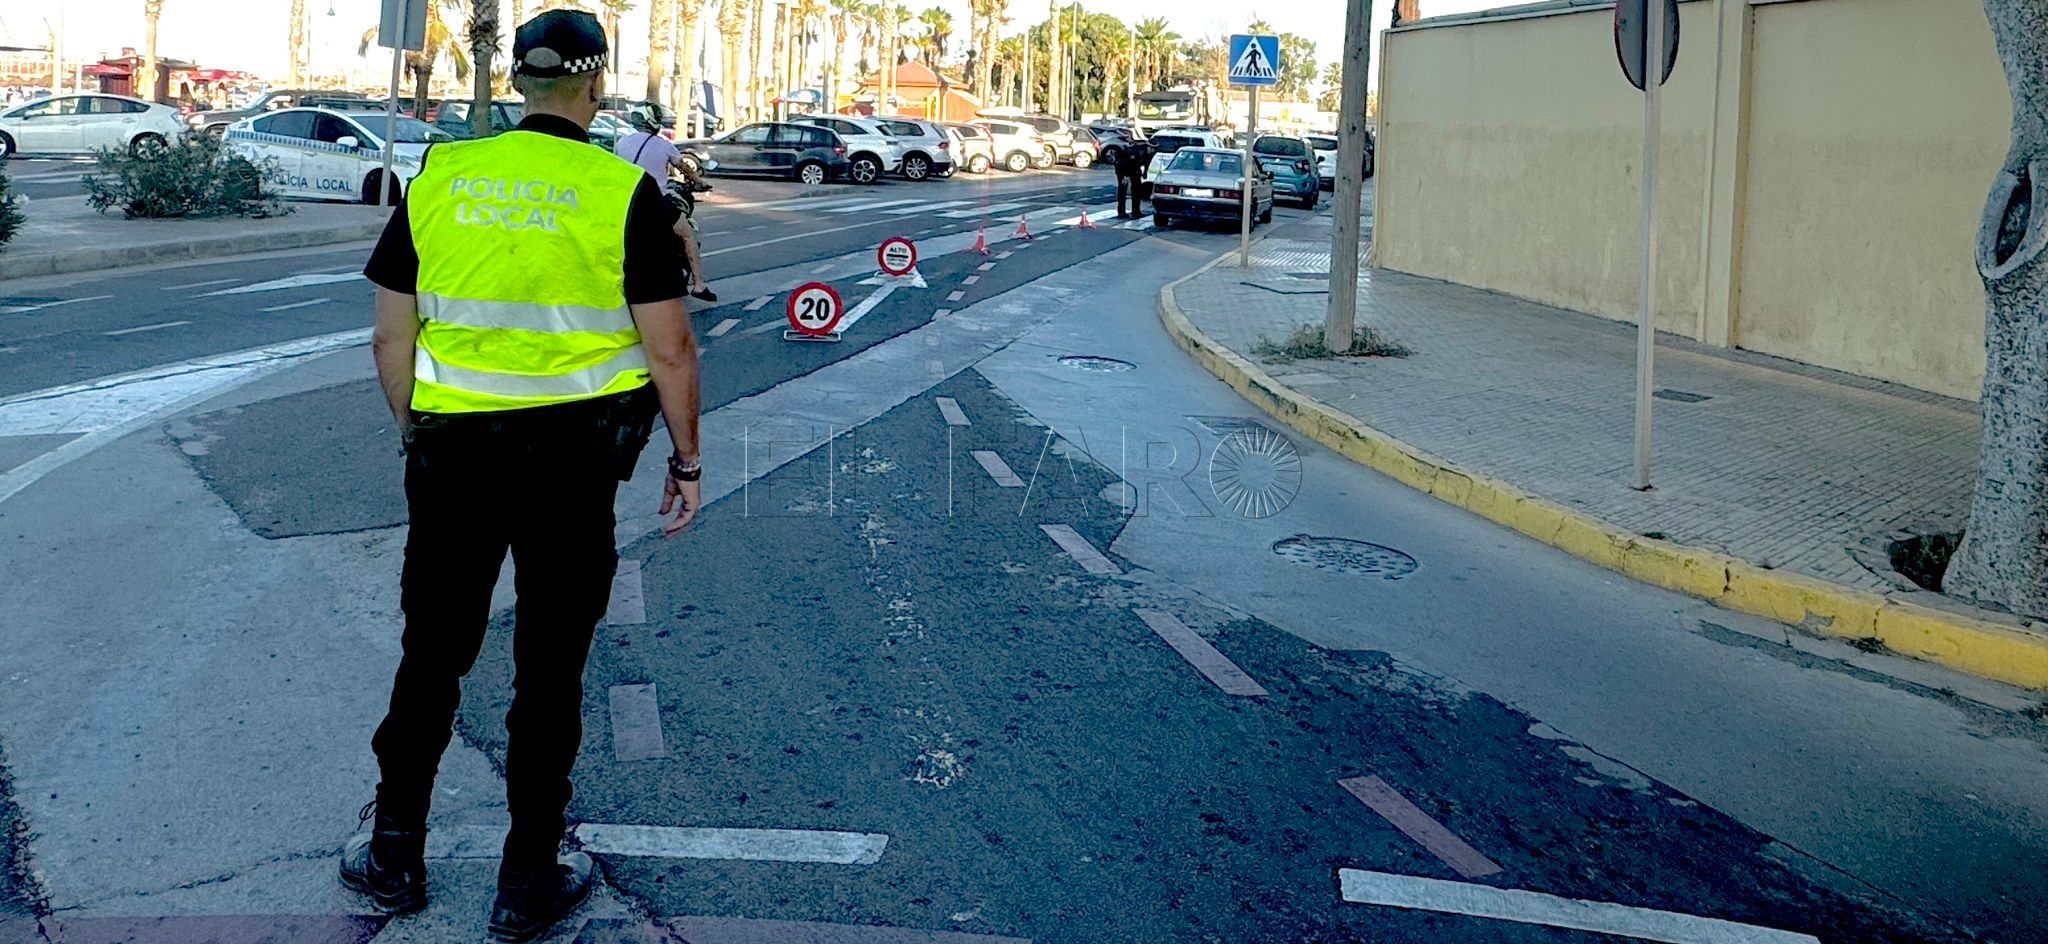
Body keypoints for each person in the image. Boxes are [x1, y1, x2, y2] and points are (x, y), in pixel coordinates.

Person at [341, 10, 704, 942]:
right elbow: (670, 350)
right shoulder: (626, 194)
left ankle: (393, 852)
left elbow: (393, 333)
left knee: (433, 651)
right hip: (574, 470)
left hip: (454, 456)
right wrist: (687, 461)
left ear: (517, 85)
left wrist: (417, 432)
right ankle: (525, 880)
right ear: (594, 86)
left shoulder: (442, 178)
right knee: (550, 671)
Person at [614, 112, 716, 302]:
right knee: (687, 235)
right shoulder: (662, 144)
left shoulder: (622, 142)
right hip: (656, 201)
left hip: (625, 202)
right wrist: (699, 182)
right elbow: (683, 167)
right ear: (655, 124)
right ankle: (699, 285)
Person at [1114, 137, 1150, 219]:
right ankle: (1121, 212)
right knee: (1122, 190)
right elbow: (1126, 163)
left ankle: (1136, 212)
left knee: (1137, 191)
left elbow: (1146, 163)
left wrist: (1145, 173)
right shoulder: (1133, 151)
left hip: (1135, 170)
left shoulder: (1145, 153)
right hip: (1123, 170)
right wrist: (1126, 175)